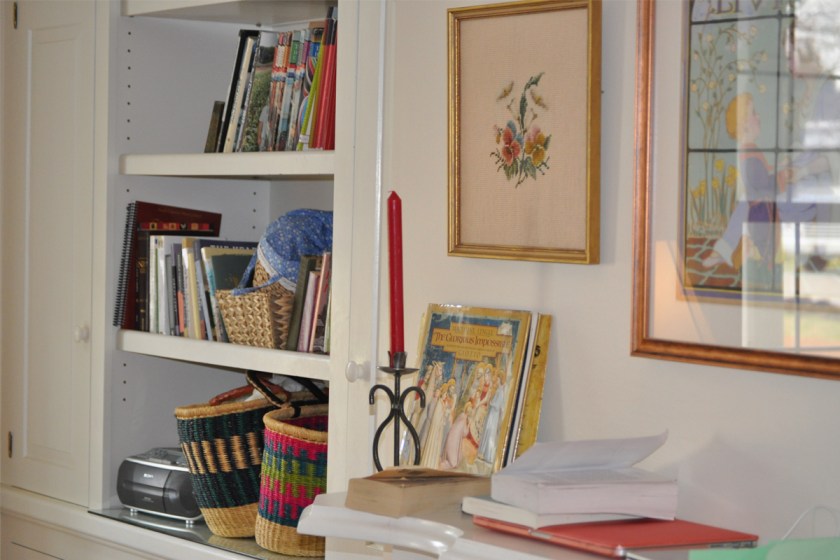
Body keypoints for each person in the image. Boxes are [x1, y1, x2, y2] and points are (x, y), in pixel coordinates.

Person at [701, 92, 830, 269]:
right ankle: (800, 253)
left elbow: (762, 175)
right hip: (766, 206)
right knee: (806, 196)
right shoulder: (750, 155)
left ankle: (724, 249)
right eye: (754, 113)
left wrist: (781, 167)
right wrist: (784, 176)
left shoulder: (749, 150)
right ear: (744, 125)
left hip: (765, 202)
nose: (759, 116)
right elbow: (762, 184)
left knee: (745, 203)